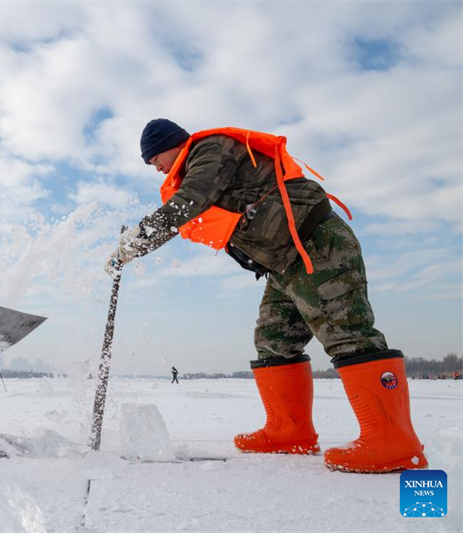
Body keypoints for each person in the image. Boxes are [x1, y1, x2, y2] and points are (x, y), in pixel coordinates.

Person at [105, 119, 427, 473]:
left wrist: (137, 239)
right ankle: (289, 431)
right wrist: (134, 246)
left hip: (314, 244)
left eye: (154, 159)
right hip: (284, 262)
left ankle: (392, 441)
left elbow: (191, 200)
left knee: (346, 332)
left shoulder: (208, 150)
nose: (156, 168)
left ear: (172, 143)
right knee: (273, 340)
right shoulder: (198, 164)